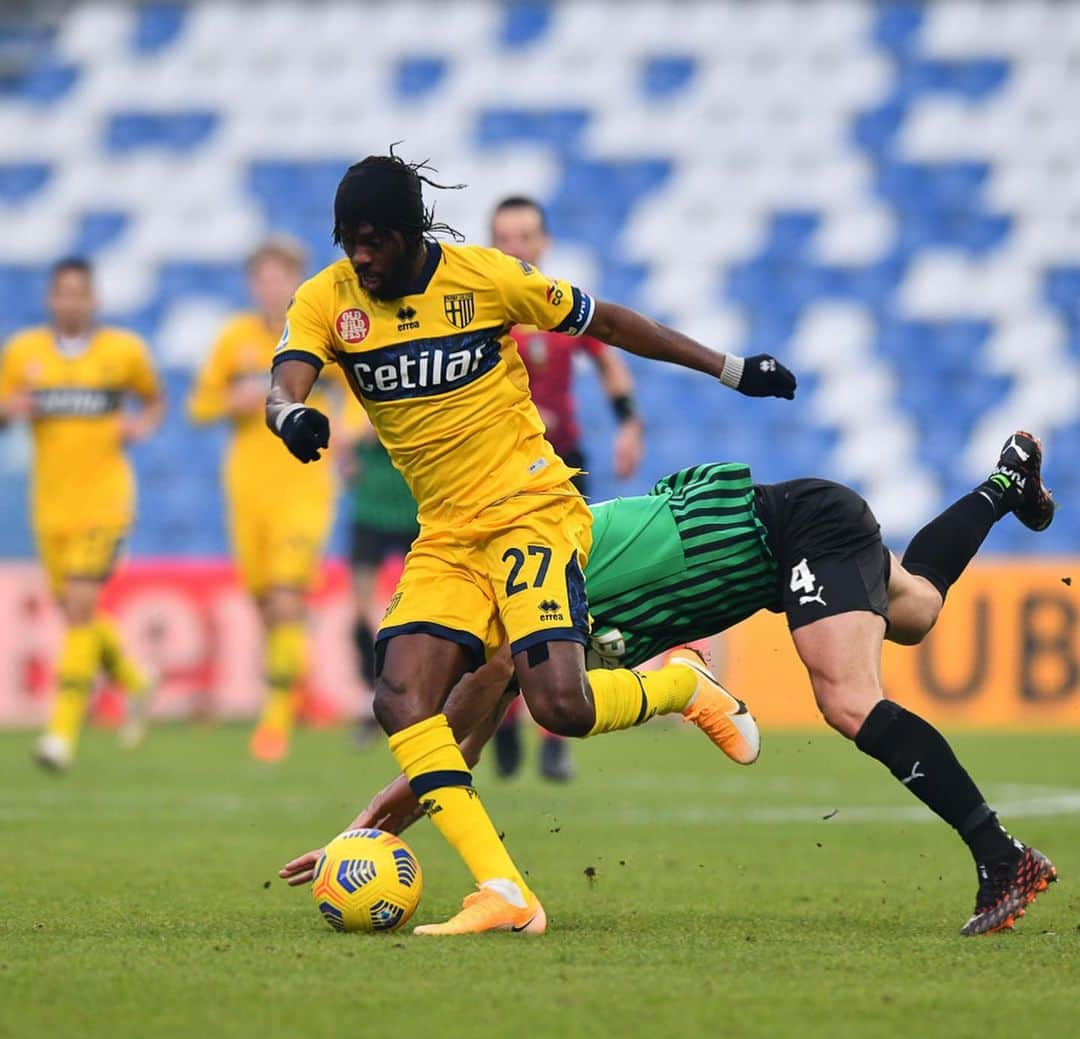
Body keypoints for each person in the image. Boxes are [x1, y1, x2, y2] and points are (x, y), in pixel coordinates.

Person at [265, 151, 796, 936]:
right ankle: (505, 891)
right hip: (446, 533)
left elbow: (610, 322)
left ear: (410, 232)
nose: (361, 256)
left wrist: (729, 369)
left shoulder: (487, 279)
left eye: (375, 239)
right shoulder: (328, 298)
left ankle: (682, 686)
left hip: (531, 511)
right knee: (400, 697)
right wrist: (290, 417)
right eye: (349, 240)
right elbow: (286, 381)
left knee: (559, 706)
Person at [281, 433, 1059, 937]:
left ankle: (1001, 855)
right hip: (784, 542)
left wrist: (368, 830)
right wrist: (365, 836)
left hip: (793, 525)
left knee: (846, 700)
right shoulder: (514, 639)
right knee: (916, 608)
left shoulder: (513, 604)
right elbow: (449, 752)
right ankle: (1005, 482)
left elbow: (445, 740)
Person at [489, 194, 647, 783]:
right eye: (505, 237)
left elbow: (609, 361)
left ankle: (555, 734)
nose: (516, 247)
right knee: (501, 603)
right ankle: (504, 723)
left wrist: (628, 421)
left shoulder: (561, 305)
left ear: (544, 243)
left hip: (564, 464)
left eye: (526, 236)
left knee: (563, 601)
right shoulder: (482, 308)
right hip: (499, 468)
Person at [0, 257, 165, 770]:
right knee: (78, 612)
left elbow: (154, 401)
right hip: (50, 507)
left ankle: (60, 734)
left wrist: (140, 426)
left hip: (106, 502)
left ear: (93, 300)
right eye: (62, 293)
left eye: (80, 293)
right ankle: (136, 680)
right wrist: (11, 412)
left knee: (77, 603)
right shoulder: (23, 353)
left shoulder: (123, 352)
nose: (71, 301)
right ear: (51, 299)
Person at [188, 237, 348, 762]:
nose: (270, 287)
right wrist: (228, 401)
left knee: (284, 597)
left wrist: (346, 431)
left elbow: (361, 394)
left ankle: (274, 723)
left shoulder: (317, 333)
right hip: (247, 490)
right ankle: (302, 695)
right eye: (262, 278)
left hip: (304, 485)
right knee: (267, 606)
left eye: (280, 277)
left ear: (296, 282)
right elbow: (200, 405)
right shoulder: (234, 339)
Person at [341, 411, 418, 743]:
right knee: (361, 608)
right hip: (369, 513)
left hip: (413, 512)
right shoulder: (350, 389)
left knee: (423, 607)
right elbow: (345, 454)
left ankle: (423, 694)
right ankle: (369, 697)